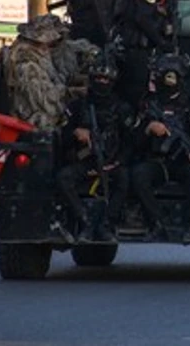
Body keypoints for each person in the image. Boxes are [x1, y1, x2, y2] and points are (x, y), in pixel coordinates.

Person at [55, 56, 133, 243]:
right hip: (85, 161)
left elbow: (130, 142)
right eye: (98, 78)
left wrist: (117, 162)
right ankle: (85, 221)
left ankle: (106, 224)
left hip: (110, 163)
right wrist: (76, 133)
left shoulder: (121, 108)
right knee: (63, 177)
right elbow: (61, 139)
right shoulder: (77, 107)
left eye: (106, 80)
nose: (102, 83)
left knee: (124, 179)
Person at [130, 54, 190, 243]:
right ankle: (157, 223)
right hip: (158, 161)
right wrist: (148, 129)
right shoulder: (149, 104)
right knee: (139, 175)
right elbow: (134, 140)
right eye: (165, 76)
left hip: (183, 160)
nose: (169, 81)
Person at [112, 0, 185, 107]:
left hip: (146, 50)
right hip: (138, 50)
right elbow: (142, 18)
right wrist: (160, 42)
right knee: (135, 94)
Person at [5, 15, 69, 131]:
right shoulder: (27, 65)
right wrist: (67, 92)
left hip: (36, 115)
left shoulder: (36, 59)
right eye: (50, 43)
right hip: (34, 122)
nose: (49, 48)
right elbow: (45, 102)